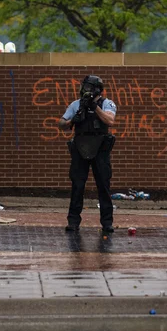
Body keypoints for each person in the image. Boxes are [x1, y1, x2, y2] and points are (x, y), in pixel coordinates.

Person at [59, 75, 117, 233]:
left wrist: (94, 107)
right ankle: (73, 221)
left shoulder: (106, 103)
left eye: (89, 87)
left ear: (97, 89)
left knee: (103, 185)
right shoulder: (76, 104)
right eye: (84, 87)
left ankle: (107, 222)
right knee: (77, 185)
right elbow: (61, 124)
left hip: (100, 148)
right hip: (80, 147)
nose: (85, 90)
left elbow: (110, 121)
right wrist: (73, 121)